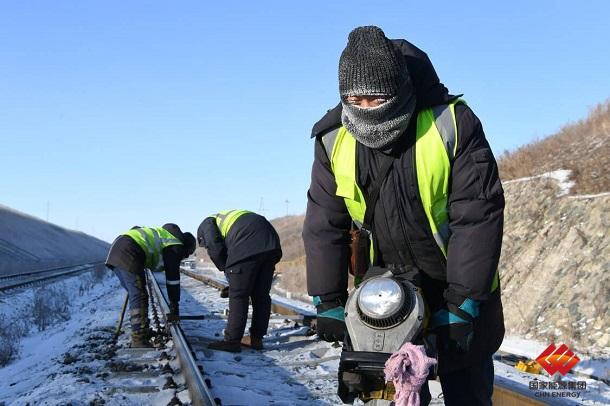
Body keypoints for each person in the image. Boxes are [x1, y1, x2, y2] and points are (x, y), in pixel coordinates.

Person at [303, 26, 505, 405]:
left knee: (470, 393)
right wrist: (326, 298)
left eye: (376, 97)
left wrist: (463, 303)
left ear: (399, 89)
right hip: (385, 295)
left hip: (456, 284)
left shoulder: (453, 124)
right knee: (394, 395)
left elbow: (478, 215)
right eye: (355, 99)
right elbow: (323, 222)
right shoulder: (333, 139)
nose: (366, 109)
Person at [197, 210, 282, 352]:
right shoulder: (226, 218)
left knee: (238, 295)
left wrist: (227, 270)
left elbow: (214, 246)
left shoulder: (206, 224)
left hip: (247, 243)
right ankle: (256, 339)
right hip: (271, 244)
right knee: (261, 296)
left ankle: (232, 341)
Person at [106, 224, 196, 347]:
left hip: (117, 252)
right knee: (139, 295)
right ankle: (139, 338)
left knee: (136, 294)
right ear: (185, 246)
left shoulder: (166, 237)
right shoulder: (175, 245)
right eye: (187, 254)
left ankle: (142, 330)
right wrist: (174, 305)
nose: (184, 257)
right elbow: (172, 278)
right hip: (128, 251)